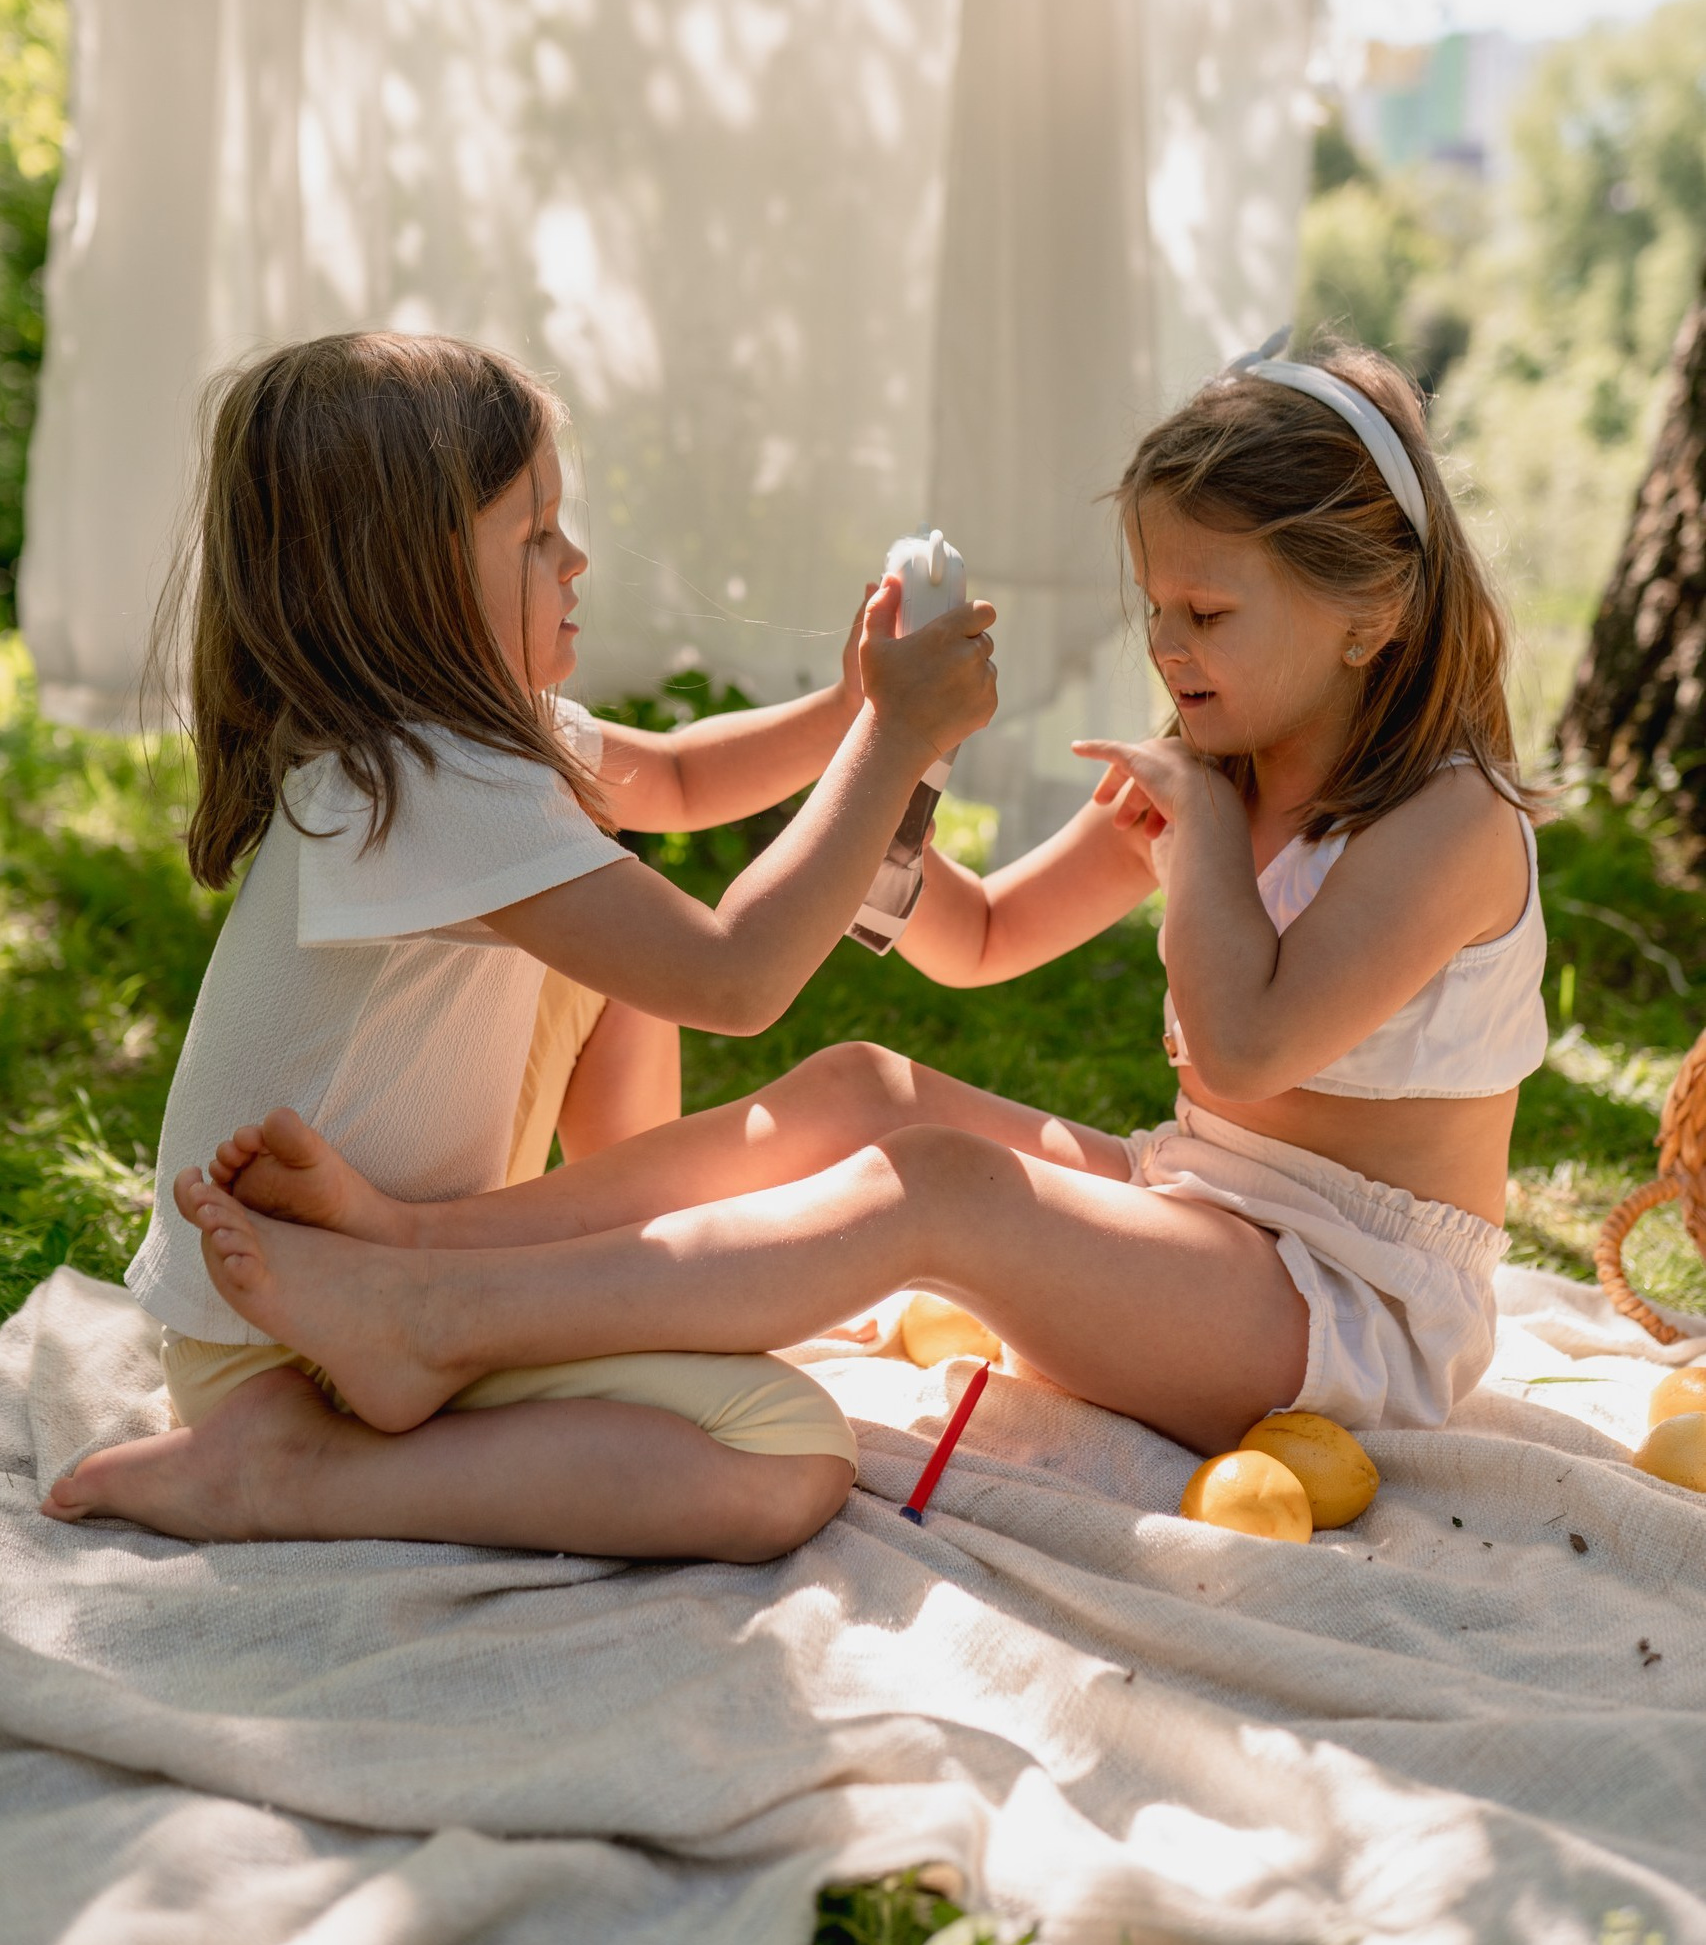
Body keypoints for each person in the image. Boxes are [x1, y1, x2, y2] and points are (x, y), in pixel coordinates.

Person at [61, 338, 1546, 1489]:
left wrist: (1203, 838)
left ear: (1374, 614)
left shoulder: (1446, 821)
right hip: (1208, 1211)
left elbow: (1242, 1049)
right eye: (1153, 608)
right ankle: (418, 1249)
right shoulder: (1210, 790)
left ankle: (443, 1317)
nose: (1165, 649)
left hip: (1346, 1313)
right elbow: (978, 942)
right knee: (862, 1087)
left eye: (1205, 617)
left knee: (939, 1189)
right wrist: (883, 775)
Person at [43, 331, 997, 1558]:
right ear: (412, 581)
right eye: (535, 534)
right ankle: (290, 1472)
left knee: (615, 918)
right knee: (780, 1452)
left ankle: (608, 1280)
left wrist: (849, 708)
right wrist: (892, 743)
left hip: (332, 1281)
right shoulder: (431, 786)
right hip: (291, 1343)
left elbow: (677, 776)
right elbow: (733, 975)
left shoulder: (448, 747)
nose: (575, 557)